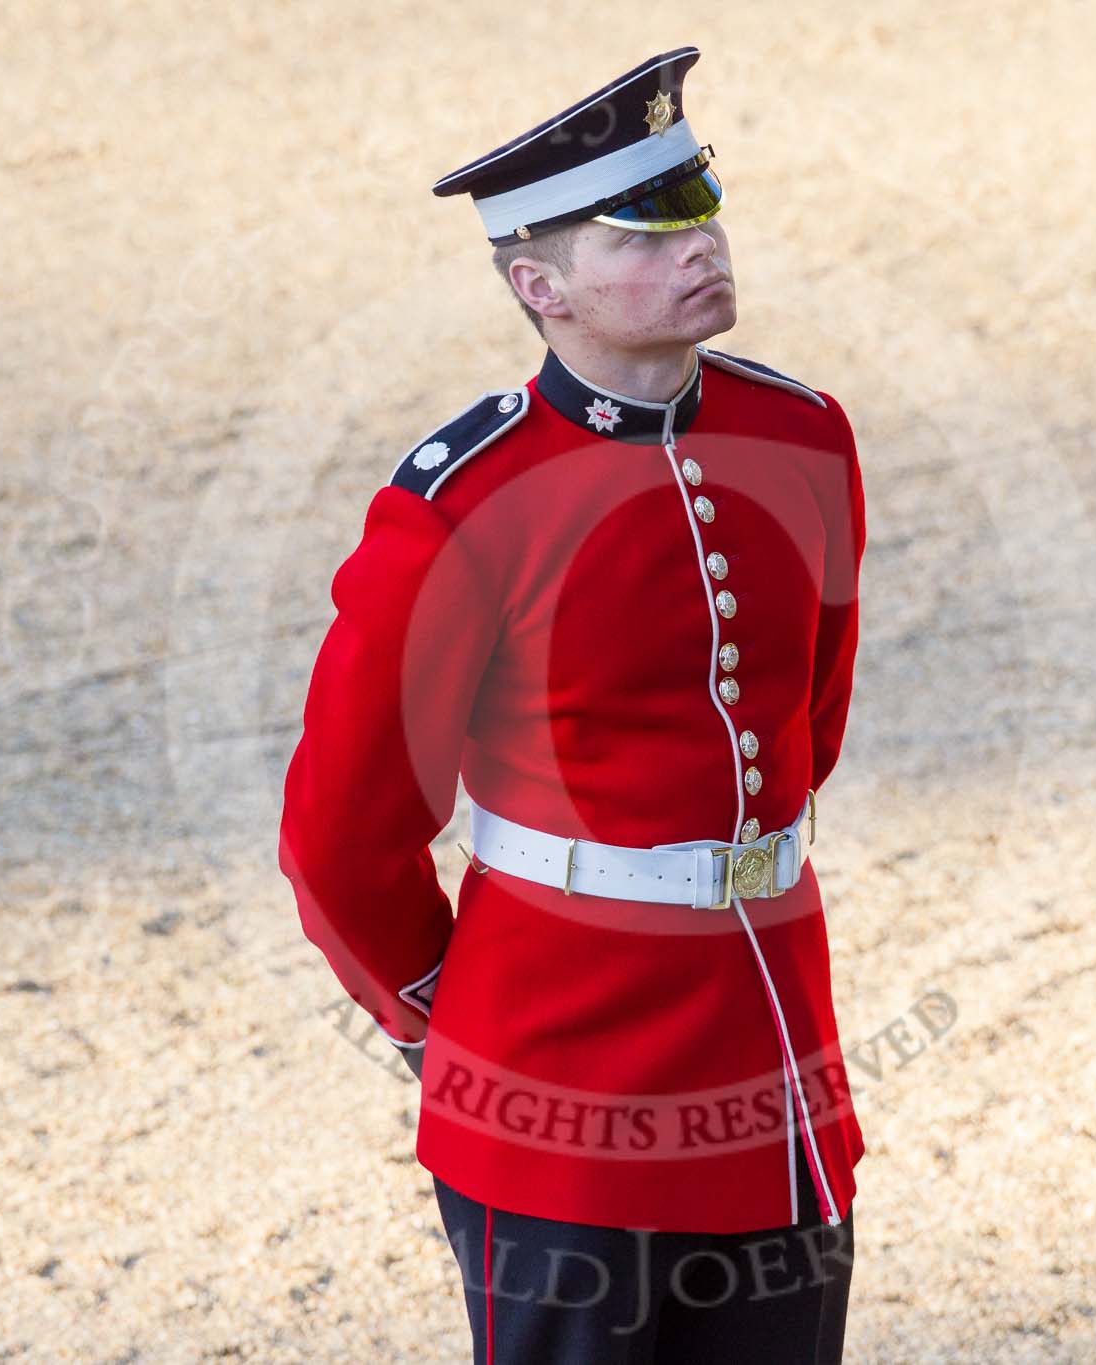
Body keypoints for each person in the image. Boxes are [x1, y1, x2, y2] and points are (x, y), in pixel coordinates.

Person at [277, 46, 868, 1363]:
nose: (700, 246)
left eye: (699, 209)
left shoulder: (804, 439)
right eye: (643, 234)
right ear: (538, 285)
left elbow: (805, 726)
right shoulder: (466, 503)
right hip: (557, 1082)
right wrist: (456, 1011)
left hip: (774, 1062)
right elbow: (339, 832)